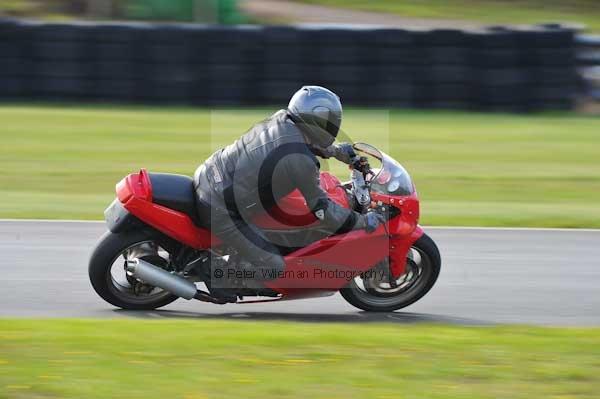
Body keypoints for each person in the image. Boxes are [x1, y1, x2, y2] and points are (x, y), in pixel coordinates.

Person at [193, 85, 384, 301]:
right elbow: (324, 213)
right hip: (220, 207)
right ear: (318, 122)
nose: (334, 126)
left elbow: (304, 142)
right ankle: (216, 273)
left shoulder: (283, 120)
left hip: (210, 175)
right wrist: (363, 221)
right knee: (275, 268)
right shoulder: (300, 159)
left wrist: (340, 152)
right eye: (330, 122)